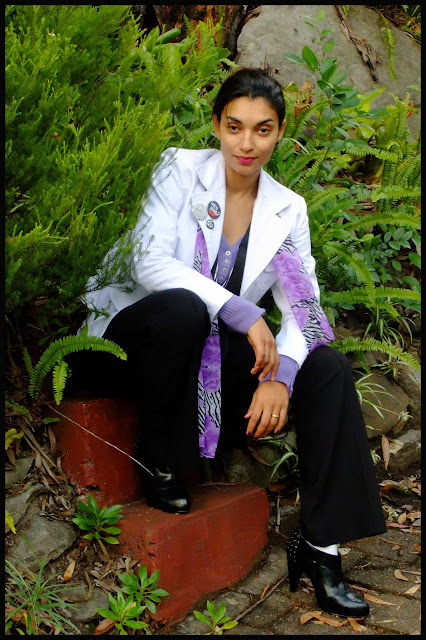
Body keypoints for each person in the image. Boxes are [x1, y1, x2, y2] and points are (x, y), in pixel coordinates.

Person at [72, 67, 387, 618]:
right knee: (185, 307)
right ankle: (161, 459)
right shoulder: (177, 169)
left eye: (262, 130)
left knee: (328, 369)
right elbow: (148, 262)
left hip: (204, 357)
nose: (247, 143)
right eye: (235, 126)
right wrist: (241, 311)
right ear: (217, 124)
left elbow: (305, 308)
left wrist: (281, 376)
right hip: (129, 343)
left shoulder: (287, 209)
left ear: (279, 133)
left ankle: (322, 548)